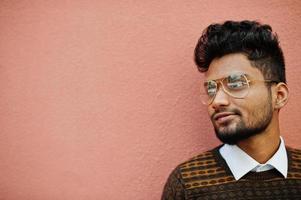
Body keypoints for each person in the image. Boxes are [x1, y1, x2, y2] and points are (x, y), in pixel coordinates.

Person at [161, 20, 301, 200]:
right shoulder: (187, 185)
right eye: (211, 88)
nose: (216, 101)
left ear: (279, 95)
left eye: (236, 83)